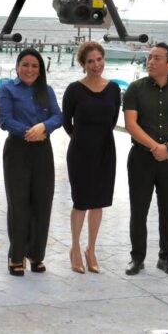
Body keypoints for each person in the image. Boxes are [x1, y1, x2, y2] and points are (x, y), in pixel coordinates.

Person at [123, 43, 168, 277]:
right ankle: (137, 258)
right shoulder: (135, 89)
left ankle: (166, 258)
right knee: (138, 210)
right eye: (149, 57)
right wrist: (155, 147)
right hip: (141, 158)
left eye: (157, 58)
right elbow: (131, 124)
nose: (150, 62)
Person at [0, 48, 63, 276]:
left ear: (40, 69)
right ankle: (16, 256)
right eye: (25, 64)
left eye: (34, 66)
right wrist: (29, 132)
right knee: (19, 204)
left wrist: (44, 127)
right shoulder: (7, 89)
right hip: (17, 150)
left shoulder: (47, 90)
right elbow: (4, 119)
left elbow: (58, 116)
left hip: (43, 150)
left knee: (42, 203)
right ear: (17, 67)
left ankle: (36, 254)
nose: (29, 69)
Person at [62, 42, 121, 274]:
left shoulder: (114, 89)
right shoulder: (74, 90)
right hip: (80, 152)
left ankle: (91, 249)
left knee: (99, 202)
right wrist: (82, 139)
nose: (96, 65)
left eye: (99, 59)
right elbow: (67, 122)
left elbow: (112, 119)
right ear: (83, 64)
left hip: (106, 150)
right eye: (90, 61)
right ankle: (75, 249)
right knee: (81, 202)